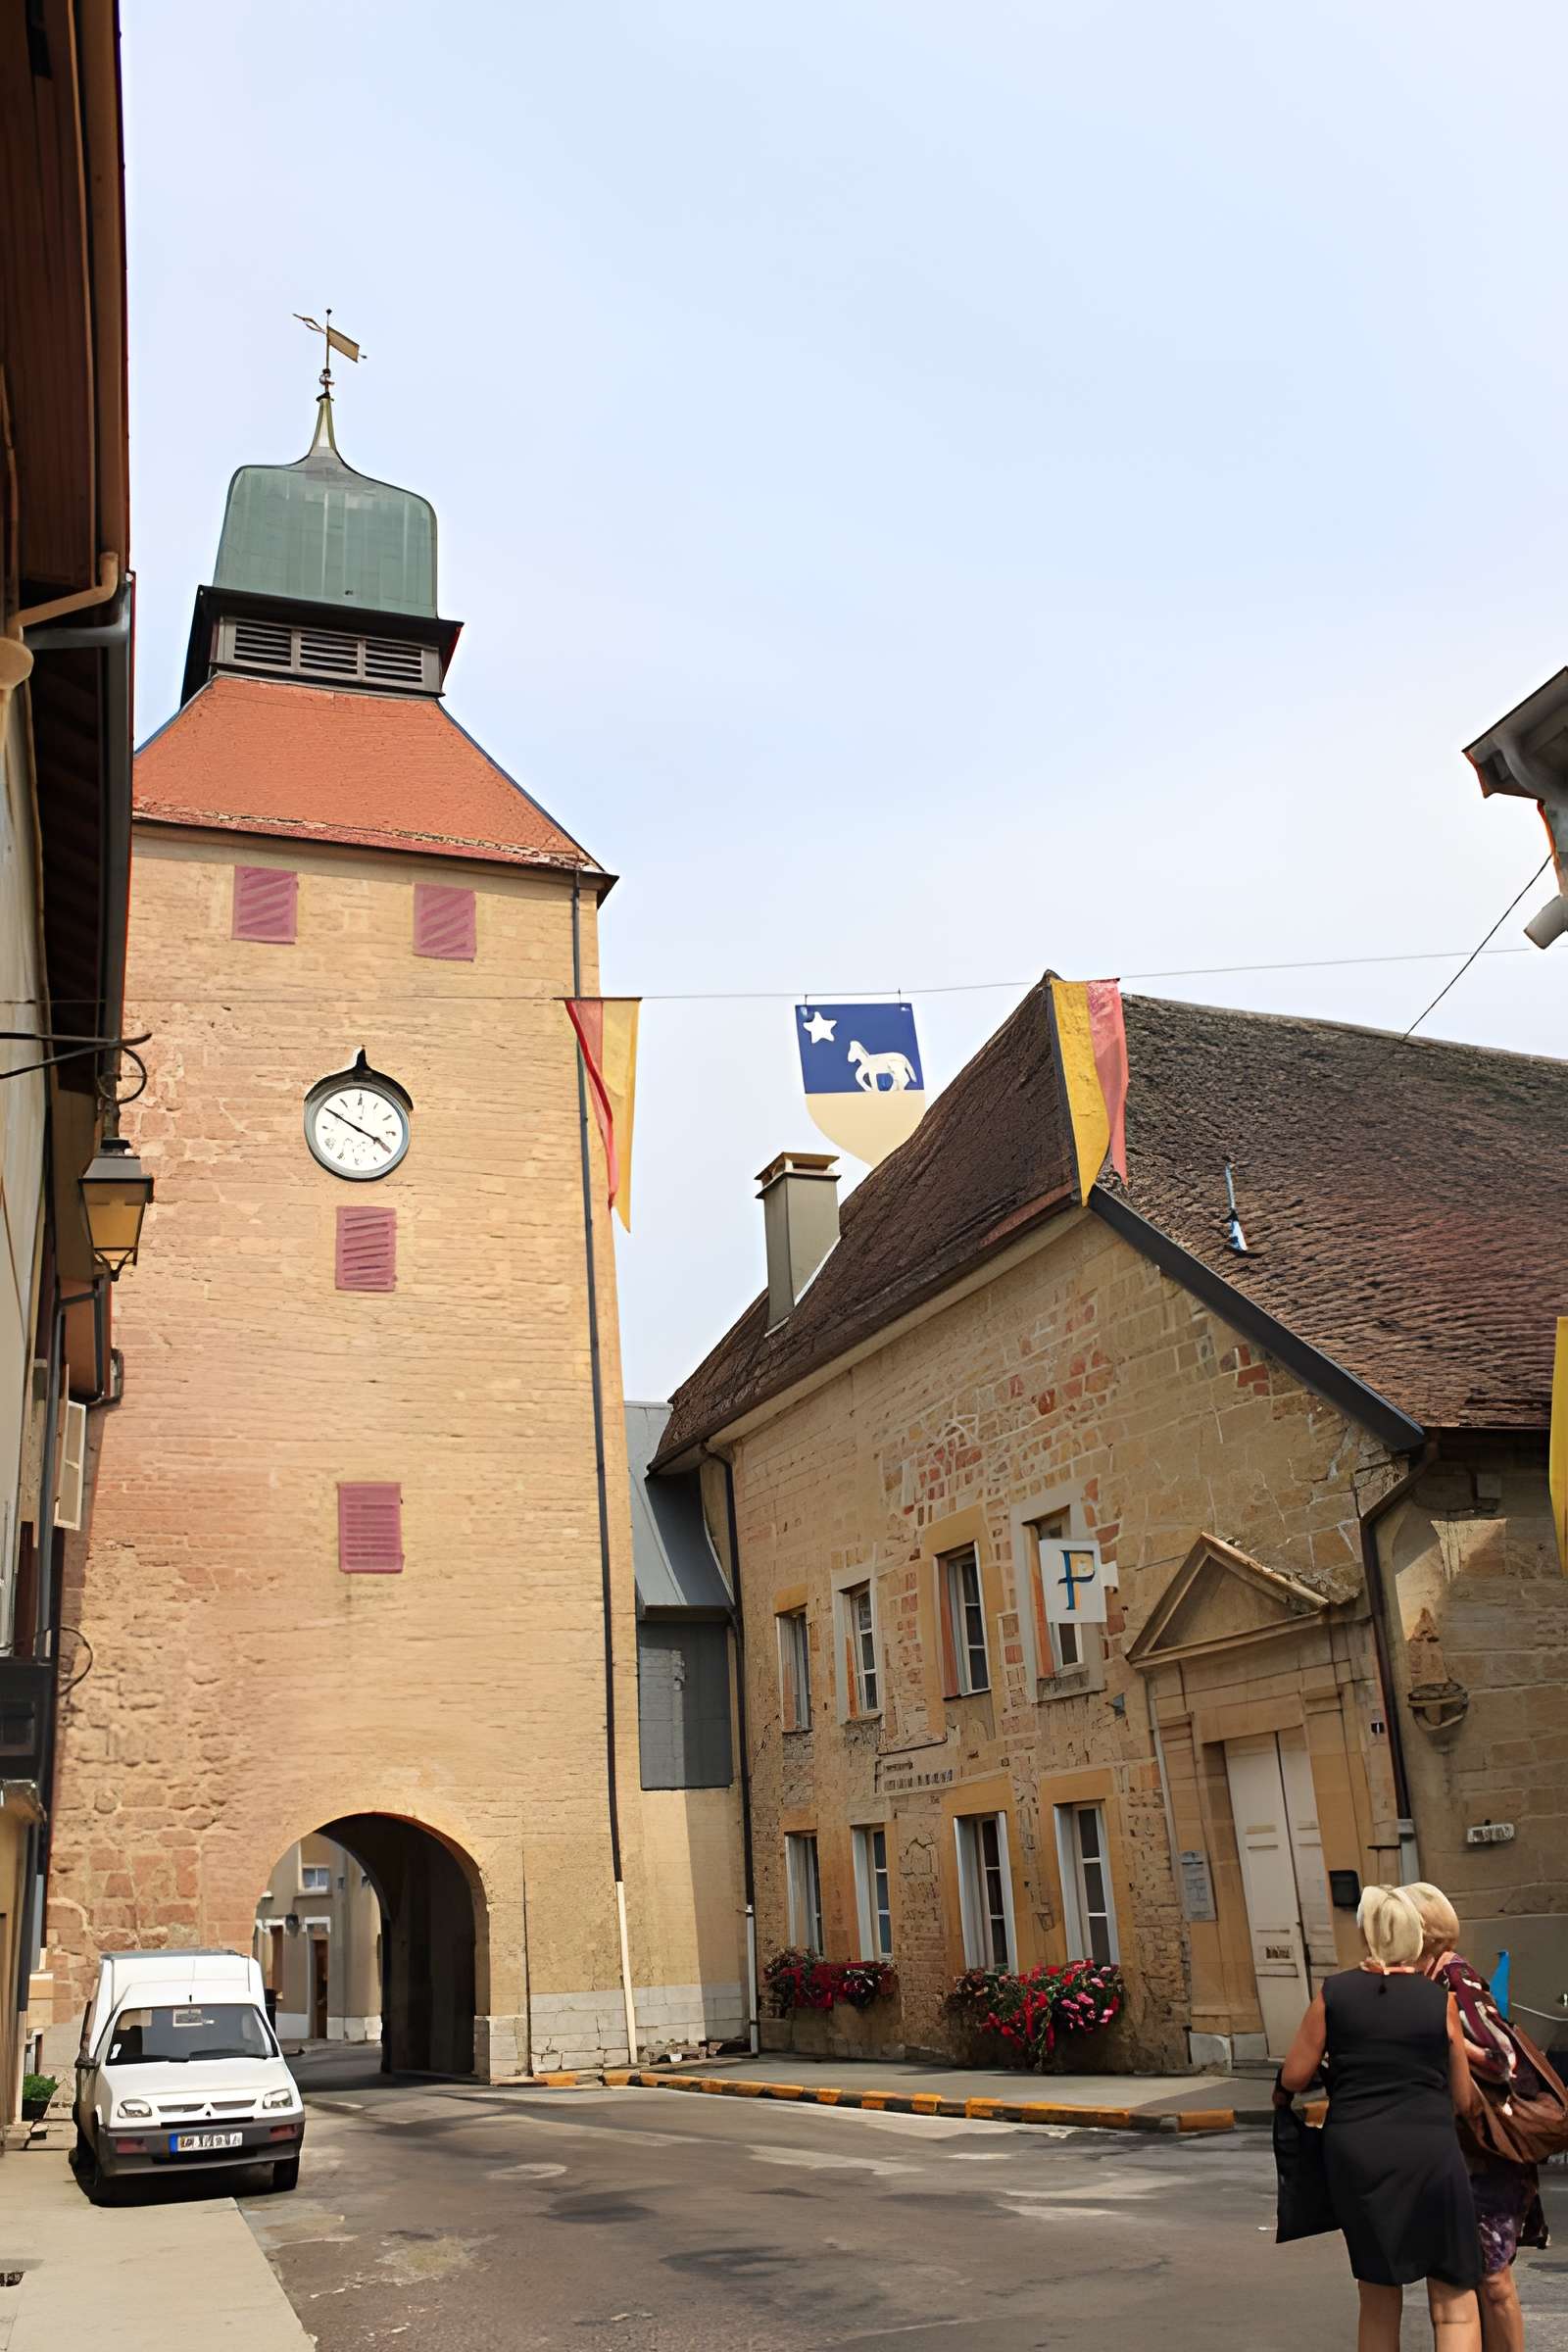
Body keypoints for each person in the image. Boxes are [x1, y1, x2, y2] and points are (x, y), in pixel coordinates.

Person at [1275, 1883, 1483, 2351]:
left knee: (1377, 2294)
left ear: (1368, 1935)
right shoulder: (1438, 2002)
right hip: (1429, 2151)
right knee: (1453, 2298)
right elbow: (1464, 2099)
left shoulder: (1335, 1993)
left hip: (1358, 2153)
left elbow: (1294, 2075)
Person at [1406, 1882, 1547, 2352]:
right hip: (1467, 2151)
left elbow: (1500, 2055)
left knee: (1493, 2279)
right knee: (1472, 2277)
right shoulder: (1429, 1982)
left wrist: (1447, 2035)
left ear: (1419, 1930)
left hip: (1487, 2152)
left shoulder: (1457, 1980)